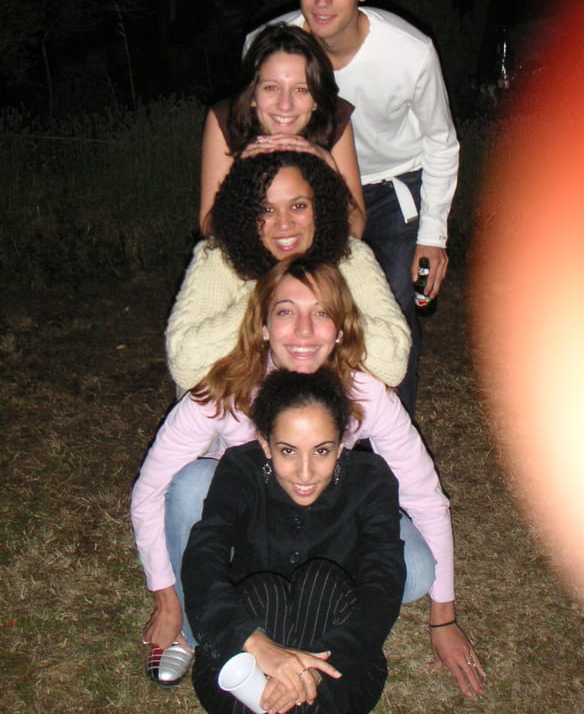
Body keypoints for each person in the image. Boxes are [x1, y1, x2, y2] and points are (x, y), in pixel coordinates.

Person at [131, 259, 486, 700]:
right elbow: (148, 492)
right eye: (286, 312)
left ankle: (310, 598)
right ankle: (192, 629)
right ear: (262, 325)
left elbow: (425, 498)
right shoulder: (223, 388)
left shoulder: (365, 393)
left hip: (323, 518)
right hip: (248, 518)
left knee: (414, 571)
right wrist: (165, 596)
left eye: (321, 313)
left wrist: (443, 618)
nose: (303, 330)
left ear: (340, 329)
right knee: (190, 484)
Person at [244, 0, 460, 417]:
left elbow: (441, 142)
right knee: (299, 305)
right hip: (309, 189)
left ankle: (389, 435)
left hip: (393, 188)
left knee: (389, 310)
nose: (322, 0)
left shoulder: (410, 52)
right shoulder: (267, 47)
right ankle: (303, 425)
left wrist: (433, 235)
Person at [184, 367, 405, 714]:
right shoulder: (241, 469)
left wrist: (312, 670)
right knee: (265, 591)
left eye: (321, 451)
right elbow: (203, 557)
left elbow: (384, 583)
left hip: (338, 653)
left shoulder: (370, 479)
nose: (305, 473)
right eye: (288, 451)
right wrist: (255, 644)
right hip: (246, 641)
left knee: (322, 581)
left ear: (341, 445)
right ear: (265, 444)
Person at [166, 148, 410, 397]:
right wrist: (267, 295)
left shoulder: (351, 257)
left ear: (320, 208)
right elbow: (184, 366)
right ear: (246, 213)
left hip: (325, 409)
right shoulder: (219, 258)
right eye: (267, 210)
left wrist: (328, 300)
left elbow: (394, 365)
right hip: (237, 409)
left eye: (298, 206)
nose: (284, 224)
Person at [200, 23, 365, 238]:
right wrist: (238, 178)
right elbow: (209, 228)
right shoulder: (226, 119)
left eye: (301, 90)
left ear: (316, 100)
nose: (285, 105)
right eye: (271, 88)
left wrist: (330, 168)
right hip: (248, 247)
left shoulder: (333, 119)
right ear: (252, 95)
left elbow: (355, 229)